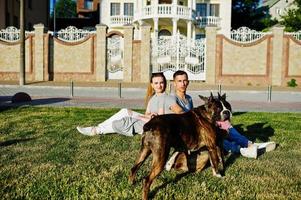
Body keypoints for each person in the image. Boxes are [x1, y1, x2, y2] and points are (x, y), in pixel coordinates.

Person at [76, 72, 184, 137]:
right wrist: (148, 116)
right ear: (152, 85)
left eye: (161, 82)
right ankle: (97, 128)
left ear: (165, 83)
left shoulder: (169, 98)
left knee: (119, 123)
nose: (159, 85)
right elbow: (147, 113)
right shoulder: (152, 98)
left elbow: (181, 114)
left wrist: (164, 119)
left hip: (155, 126)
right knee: (124, 111)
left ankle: (97, 131)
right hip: (148, 120)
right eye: (156, 83)